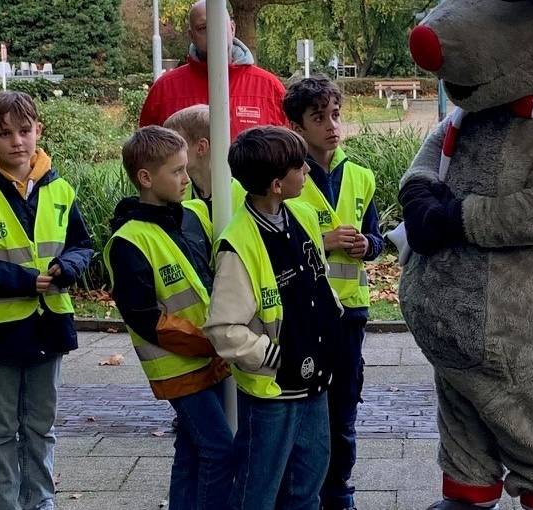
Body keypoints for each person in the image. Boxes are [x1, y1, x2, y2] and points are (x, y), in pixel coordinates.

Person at [0, 90, 95, 510]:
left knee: (40, 424)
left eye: (25, 131)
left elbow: (82, 244)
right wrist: (21, 280)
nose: (17, 141)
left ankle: (41, 502)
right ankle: (4, 504)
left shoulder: (61, 188)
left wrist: (68, 267)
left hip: (49, 324)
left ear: (39, 132)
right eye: (5, 133)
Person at [204, 126, 341, 509]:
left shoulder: (301, 215)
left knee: (307, 487)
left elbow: (317, 278)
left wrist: (332, 321)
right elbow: (223, 329)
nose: (308, 171)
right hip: (274, 394)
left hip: (315, 383)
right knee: (257, 494)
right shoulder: (238, 244)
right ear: (277, 184)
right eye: (300, 166)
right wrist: (275, 357)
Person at [106, 126, 234, 510]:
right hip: (180, 367)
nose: (185, 178)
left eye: (186, 168)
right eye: (176, 171)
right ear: (145, 178)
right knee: (219, 450)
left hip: (211, 355)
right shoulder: (128, 241)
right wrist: (213, 341)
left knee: (193, 451)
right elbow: (148, 320)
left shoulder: (195, 214)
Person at [283, 76, 384, 510]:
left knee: (343, 411)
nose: (332, 125)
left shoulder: (360, 176)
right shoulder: (287, 179)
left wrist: (369, 245)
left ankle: (339, 492)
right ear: (298, 127)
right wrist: (321, 243)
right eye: (319, 117)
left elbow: (376, 236)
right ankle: (300, 492)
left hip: (350, 314)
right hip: (302, 317)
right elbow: (273, 240)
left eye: (336, 116)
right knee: (304, 413)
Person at [138, 0, 287, 136]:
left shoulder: (270, 88)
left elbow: (291, 155)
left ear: (232, 28)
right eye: (203, 28)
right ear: (191, 35)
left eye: (220, 24)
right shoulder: (164, 90)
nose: (213, 33)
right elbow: (147, 155)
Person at [164, 104, 248, 208]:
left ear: (201, 148)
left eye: (174, 144)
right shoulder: (174, 192)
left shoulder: (247, 197)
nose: (165, 151)